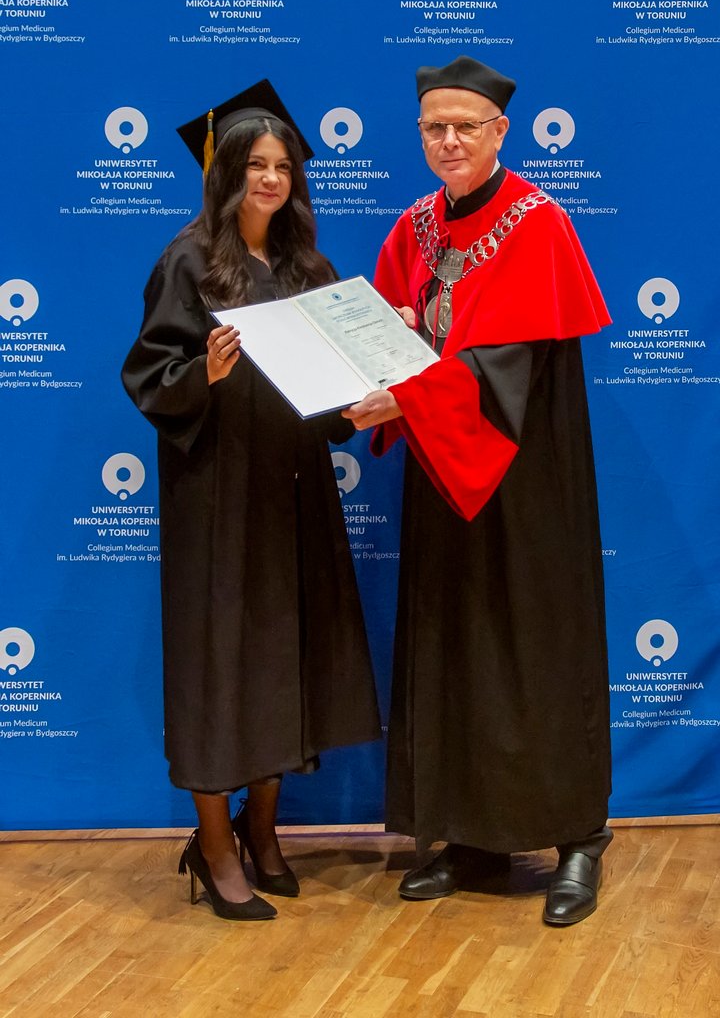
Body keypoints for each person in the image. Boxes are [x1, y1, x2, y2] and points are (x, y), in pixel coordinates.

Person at [343, 56, 612, 927]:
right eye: (435, 127)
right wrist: (372, 365)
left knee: (538, 645)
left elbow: (509, 367)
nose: (449, 140)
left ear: (501, 131)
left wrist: (409, 392)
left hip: (527, 479)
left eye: (466, 126)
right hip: (443, 472)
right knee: (453, 644)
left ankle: (577, 837)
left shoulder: (538, 222)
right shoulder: (414, 226)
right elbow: (390, 335)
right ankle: (470, 835)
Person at [122, 81, 380, 922]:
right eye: (255, 166)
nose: (270, 179)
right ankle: (214, 848)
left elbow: (329, 392)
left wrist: (365, 396)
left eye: (283, 167)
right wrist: (205, 371)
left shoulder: (309, 268)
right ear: (225, 172)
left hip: (295, 489)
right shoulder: (190, 261)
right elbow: (150, 375)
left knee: (285, 654)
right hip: (218, 495)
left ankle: (263, 830)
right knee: (219, 662)